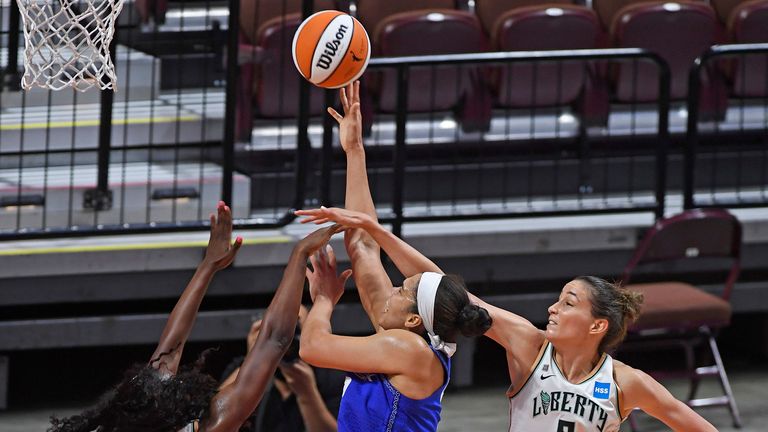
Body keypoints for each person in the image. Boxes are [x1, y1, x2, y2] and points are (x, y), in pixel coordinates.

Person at [296, 81, 492, 432]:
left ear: (415, 319)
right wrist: (355, 151)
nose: (394, 290)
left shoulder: (407, 348)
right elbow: (363, 247)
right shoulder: (405, 336)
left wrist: (324, 300)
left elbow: (311, 346)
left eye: (402, 290)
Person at [49, 201, 344, 432]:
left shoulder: (124, 422)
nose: (173, 377)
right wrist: (298, 254)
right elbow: (273, 340)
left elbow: (172, 345)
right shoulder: (213, 427)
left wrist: (208, 267)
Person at [219, 305, 346, 432]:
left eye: (296, 329)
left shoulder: (332, 373)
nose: (286, 341)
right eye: (279, 331)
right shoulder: (242, 369)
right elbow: (212, 421)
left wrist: (307, 395)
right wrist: (252, 360)